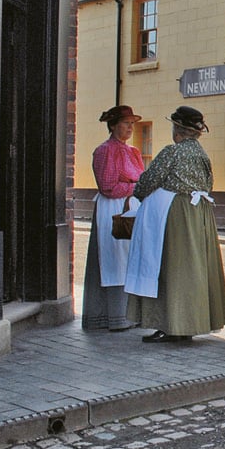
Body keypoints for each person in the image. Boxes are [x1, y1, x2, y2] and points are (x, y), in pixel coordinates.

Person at [125, 106, 225, 343]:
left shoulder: (172, 152)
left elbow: (149, 180)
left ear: (179, 130)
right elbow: (209, 184)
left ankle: (171, 323)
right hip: (198, 214)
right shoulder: (202, 155)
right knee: (193, 269)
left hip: (173, 214)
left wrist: (139, 196)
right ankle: (190, 321)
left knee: (171, 266)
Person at [81, 105, 145, 331]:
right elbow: (108, 186)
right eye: (125, 123)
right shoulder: (104, 151)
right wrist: (135, 187)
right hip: (113, 207)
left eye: (132, 124)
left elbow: (140, 181)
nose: (129, 127)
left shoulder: (133, 152)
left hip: (131, 205)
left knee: (132, 258)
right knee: (113, 257)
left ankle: (133, 314)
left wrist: (136, 188)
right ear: (113, 125)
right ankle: (113, 316)